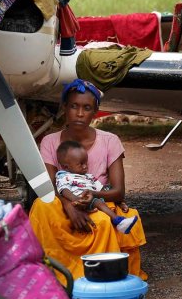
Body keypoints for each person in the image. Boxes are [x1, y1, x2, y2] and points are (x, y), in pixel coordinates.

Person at [29, 79, 146, 280]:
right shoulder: (50, 141)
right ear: (64, 108)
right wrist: (69, 206)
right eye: (74, 106)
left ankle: (98, 277)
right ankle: (47, 276)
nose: (80, 114)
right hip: (63, 199)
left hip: (98, 201)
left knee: (101, 221)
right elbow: (50, 187)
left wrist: (91, 195)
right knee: (41, 206)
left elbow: (119, 191)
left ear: (95, 112)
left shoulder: (110, 141)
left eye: (87, 108)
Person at [54, 140, 137, 234]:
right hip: (80, 200)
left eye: (86, 162)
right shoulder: (63, 176)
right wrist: (76, 200)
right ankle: (119, 222)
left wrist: (112, 196)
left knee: (109, 189)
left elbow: (101, 189)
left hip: (91, 196)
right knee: (97, 202)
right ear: (66, 167)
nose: (85, 166)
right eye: (81, 164)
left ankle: (120, 203)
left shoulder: (89, 177)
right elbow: (63, 190)